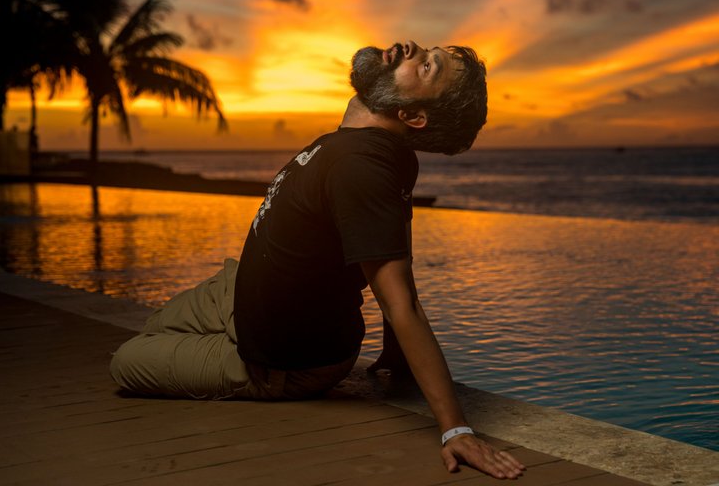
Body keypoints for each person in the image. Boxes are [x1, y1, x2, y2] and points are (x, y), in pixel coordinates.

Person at [110, 40, 525, 480]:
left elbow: (401, 300)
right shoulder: (385, 153)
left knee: (127, 360)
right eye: (425, 49)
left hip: (280, 360)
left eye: (425, 66)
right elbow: (396, 250)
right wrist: (393, 350)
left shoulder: (363, 166)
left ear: (412, 115)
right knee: (157, 326)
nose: (408, 47)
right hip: (237, 292)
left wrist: (455, 429)